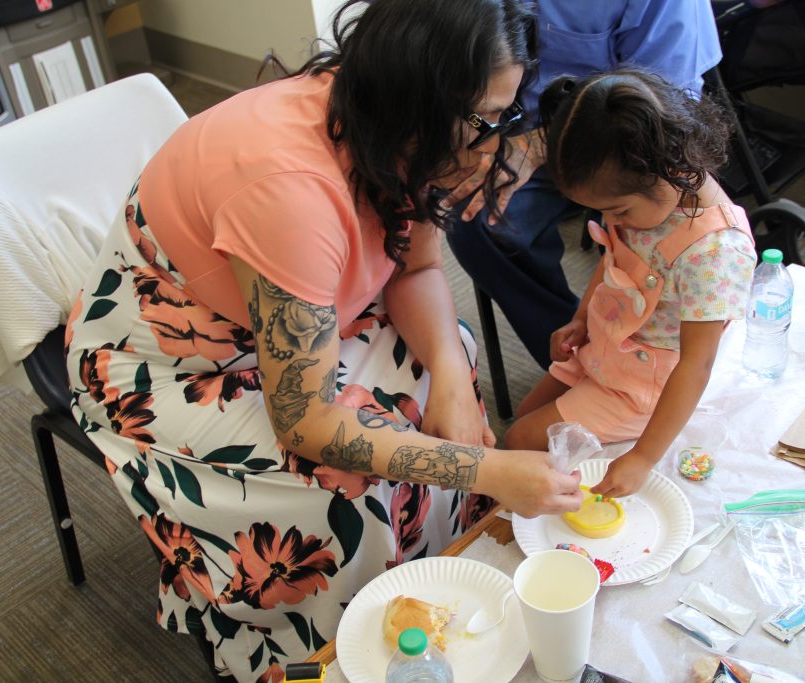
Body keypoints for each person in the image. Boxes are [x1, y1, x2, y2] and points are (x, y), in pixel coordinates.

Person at [64, 1, 583, 680]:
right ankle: (338, 645)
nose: (494, 145)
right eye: (486, 120)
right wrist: (483, 469)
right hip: (168, 362)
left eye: (506, 116)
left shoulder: (399, 128)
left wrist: (455, 382)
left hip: (290, 317)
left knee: (446, 362)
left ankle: (433, 585)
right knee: (344, 485)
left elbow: (417, 269)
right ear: (420, 99)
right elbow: (305, 423)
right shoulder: (291, 190)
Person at [502, 67, 757, 497]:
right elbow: (613, 259)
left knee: (520, 442)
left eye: (618, 211)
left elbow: (697, 366)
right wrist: (581, 318)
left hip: (643, 386)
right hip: (606, 348)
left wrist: (643, 458)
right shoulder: (646, 193)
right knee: (524, 419)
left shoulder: (715, 253)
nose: (612, 221)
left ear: (669, 167)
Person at [443, 0, 724, 370]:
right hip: (511, 123)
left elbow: (668, 102)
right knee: (474, 213)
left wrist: (538, 145)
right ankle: (579, 353)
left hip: (623, 139)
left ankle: (626, 351)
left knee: (645, 230)